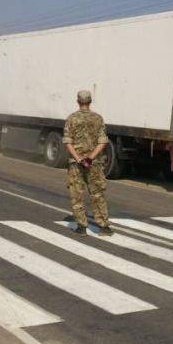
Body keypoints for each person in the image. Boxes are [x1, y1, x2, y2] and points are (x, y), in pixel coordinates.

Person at [62, 90, 113, 236]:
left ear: (78, 101)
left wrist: (79, 159)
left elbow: (67, 142)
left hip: (76, 164)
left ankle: (82, 226)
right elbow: (102, 142)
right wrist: (90, 158)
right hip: (94, 163)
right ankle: (104, 227)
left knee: (77, 194)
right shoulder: (98, 118)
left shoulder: (71, 119)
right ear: (90, 101)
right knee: (97, 194)